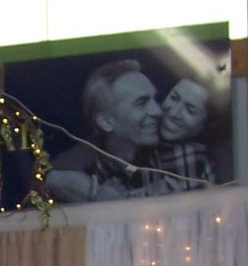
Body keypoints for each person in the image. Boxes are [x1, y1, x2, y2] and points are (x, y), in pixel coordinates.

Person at [46, 59, 162, 203]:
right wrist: (99, 194)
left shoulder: (178, 153)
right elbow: (53, 179)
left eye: (154, 99)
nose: (157, 111)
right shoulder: (86, 161)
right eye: (141, 103)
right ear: (106, 121)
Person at [144, 75, 220, 194]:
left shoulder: (190, 155)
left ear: (207, 124)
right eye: (174, 98)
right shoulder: (150, 146)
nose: (174, 112)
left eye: (190, 110)